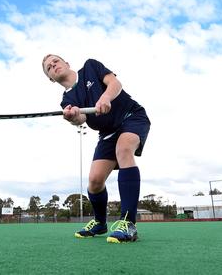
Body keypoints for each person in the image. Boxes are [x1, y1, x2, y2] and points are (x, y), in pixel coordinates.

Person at [42, 54, 150, 243]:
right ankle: (100, 223)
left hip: (131, 117)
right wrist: (73, 117)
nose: (53, 66)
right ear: (50, 78)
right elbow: (81, 119)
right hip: (107, 133)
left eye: (55, 61)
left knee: (124, 150)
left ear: (66, 63)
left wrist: (106, 97)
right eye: (49, 67)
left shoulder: (90, 67)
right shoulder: (67, 99)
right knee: (94, 181)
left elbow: (115, 83)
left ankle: (128, 223)